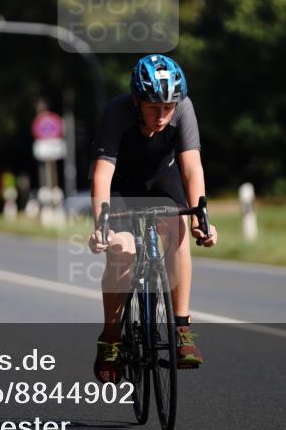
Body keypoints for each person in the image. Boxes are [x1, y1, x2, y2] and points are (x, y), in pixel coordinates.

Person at [88, 54, 217, 383]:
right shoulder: (117, 112)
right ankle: (112, 338)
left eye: (168, 108)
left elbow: (192, 167)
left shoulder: (183, 108)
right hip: (121, 187)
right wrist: (100, 227)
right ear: (136, 101)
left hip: (161, 180)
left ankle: (182, 330)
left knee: (178, 227)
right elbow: (102, 175)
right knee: (122, 251)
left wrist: (201, 218)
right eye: (152, 107)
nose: (161, 116)